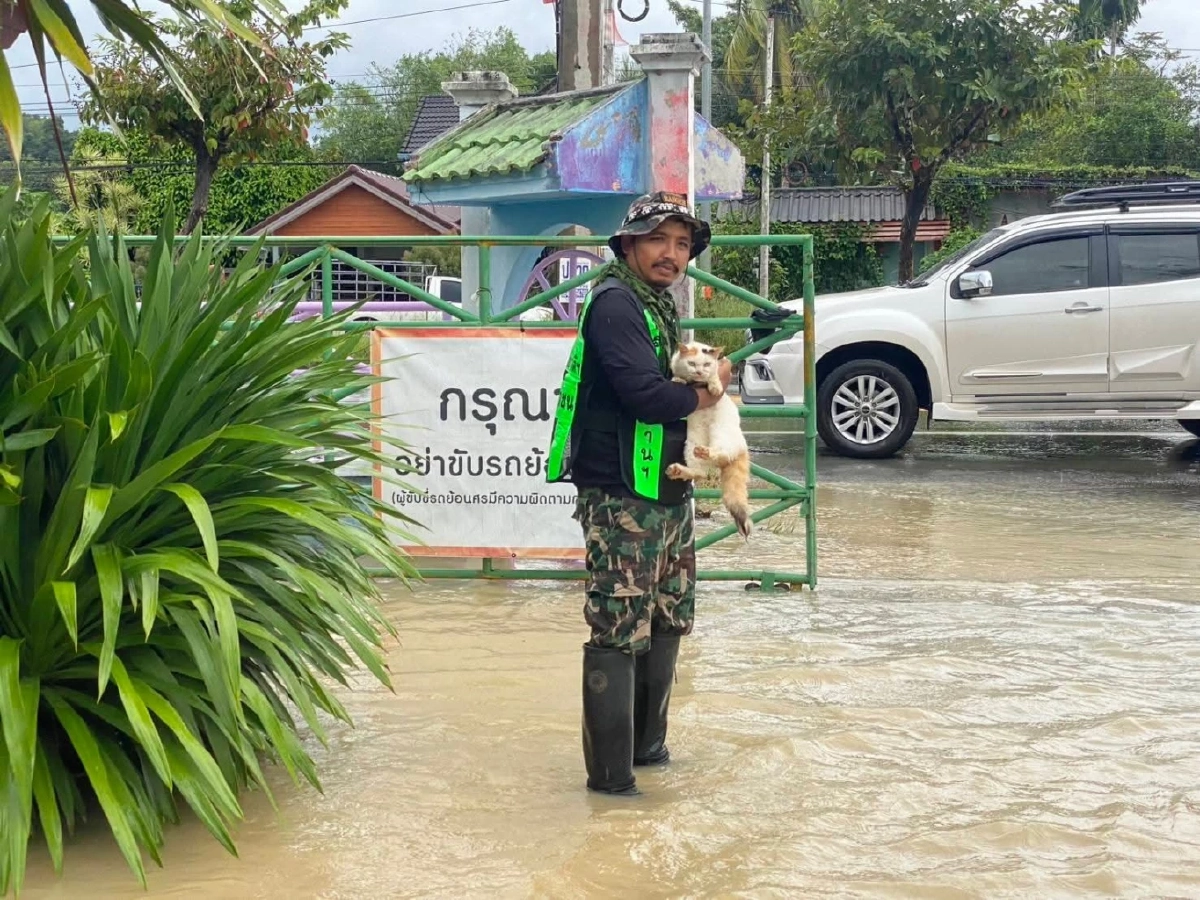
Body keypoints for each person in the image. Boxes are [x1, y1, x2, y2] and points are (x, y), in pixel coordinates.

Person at [546, 191, 732, 795]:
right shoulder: (615, 304)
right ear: (628, 244)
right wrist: (709, 394)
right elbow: (646, 396)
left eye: (682, 244)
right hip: (619, 492)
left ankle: (649, 753)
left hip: (663, 486)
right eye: (658, 240)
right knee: (618, 625)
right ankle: (611, 785)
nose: (671, 254)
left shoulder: (657, 304)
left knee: (669, 615)